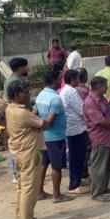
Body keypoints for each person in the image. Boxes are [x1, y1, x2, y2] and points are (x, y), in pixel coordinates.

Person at [6, 80, 52, 219]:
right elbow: (44, 124)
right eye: (25, 93)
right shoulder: (22, 113)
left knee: (22, 186)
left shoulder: (11, 109)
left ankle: (23, 217)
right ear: (17, 95)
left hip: (20, 151)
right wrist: (50, 115)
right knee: (29, 188)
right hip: (28, 152)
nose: (28, 95)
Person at [35, 71, 73, 204]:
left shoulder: (40, 95)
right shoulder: (55, 99)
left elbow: (34, 112)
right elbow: (49, 121)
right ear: (53, 81)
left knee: (44, 164)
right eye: (58, 79)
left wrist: (38, 128)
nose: (59, 81)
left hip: (44, 137)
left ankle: (39, 192)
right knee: (56, 166)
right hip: (55, 137)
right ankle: (56, 195)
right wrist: (43, 125)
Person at [83, 77, 110, 202]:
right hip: (100, 137)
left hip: (109, 136)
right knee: (99, 165)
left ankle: (103, 187)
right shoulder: (90, 102)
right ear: (99, 87)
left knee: (107, 164)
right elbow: (99, 121)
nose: (107, 87)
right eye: (105, 85)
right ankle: (96, 192)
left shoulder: (102, 99)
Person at [59, 70, 89, 194]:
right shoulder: (69, 92)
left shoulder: (68, 91)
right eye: (77, 78)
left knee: (79, 156)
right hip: (75, 129)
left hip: (76, 128)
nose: (79, 80)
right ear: (72, 80)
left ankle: (78, 179)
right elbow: (82, 110)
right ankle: (73, 185)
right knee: (75, 157)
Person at [4, 57, 29, 183]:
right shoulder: (13, 81)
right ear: (20, 68)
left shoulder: (16, 79)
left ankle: (19, 171)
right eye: (25, 66)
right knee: (16, 142)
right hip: (17, 113)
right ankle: (15, 173)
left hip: (19, 112)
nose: (27, 68)